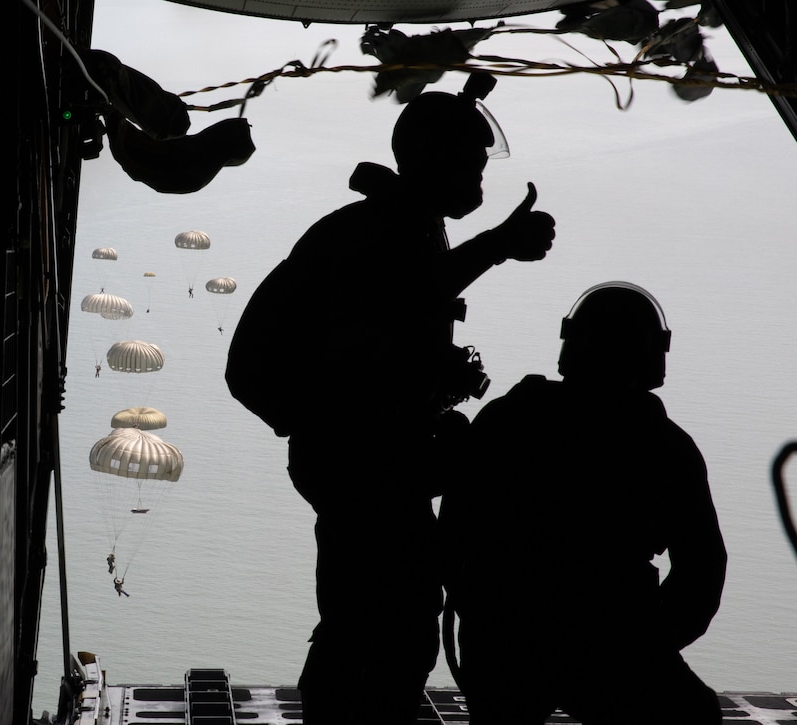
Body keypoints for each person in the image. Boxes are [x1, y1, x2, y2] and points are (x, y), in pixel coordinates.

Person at [227, 73, 555, 725]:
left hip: (363, 458)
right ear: (438, 160)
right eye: (473, 162)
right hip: (357, 463)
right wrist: (498, 246)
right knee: (379, 625)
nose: (481, 179)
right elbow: (405, 296)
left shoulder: (400, 227)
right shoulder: (381, 231)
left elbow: (392, 332)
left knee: (384, 619)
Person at [439, 281, 727, 725]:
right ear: (652, 353)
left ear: (571, 342)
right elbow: (702, 574)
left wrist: (483, 611)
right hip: (612, 642)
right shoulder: (666, 446)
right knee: (694, 717)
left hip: (505, 638)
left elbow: (454, 530)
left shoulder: (507, 418)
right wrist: (644, 643)